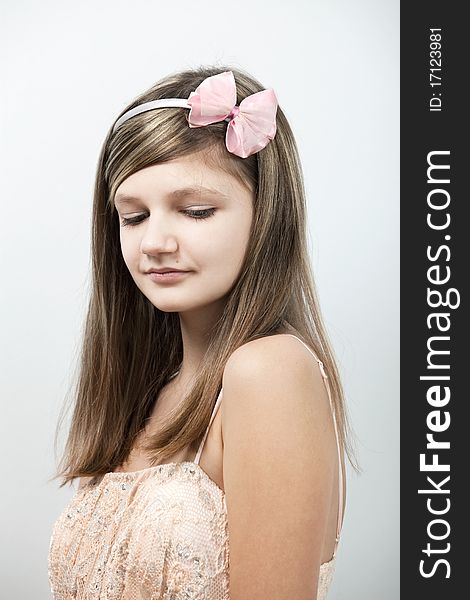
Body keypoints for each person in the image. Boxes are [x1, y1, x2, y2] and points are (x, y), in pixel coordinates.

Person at [48, 65, 357, 599]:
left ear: (266, 216)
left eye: (195, 211)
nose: (155, 242)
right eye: (133, 216)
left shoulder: (269, 372)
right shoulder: (143, 394)